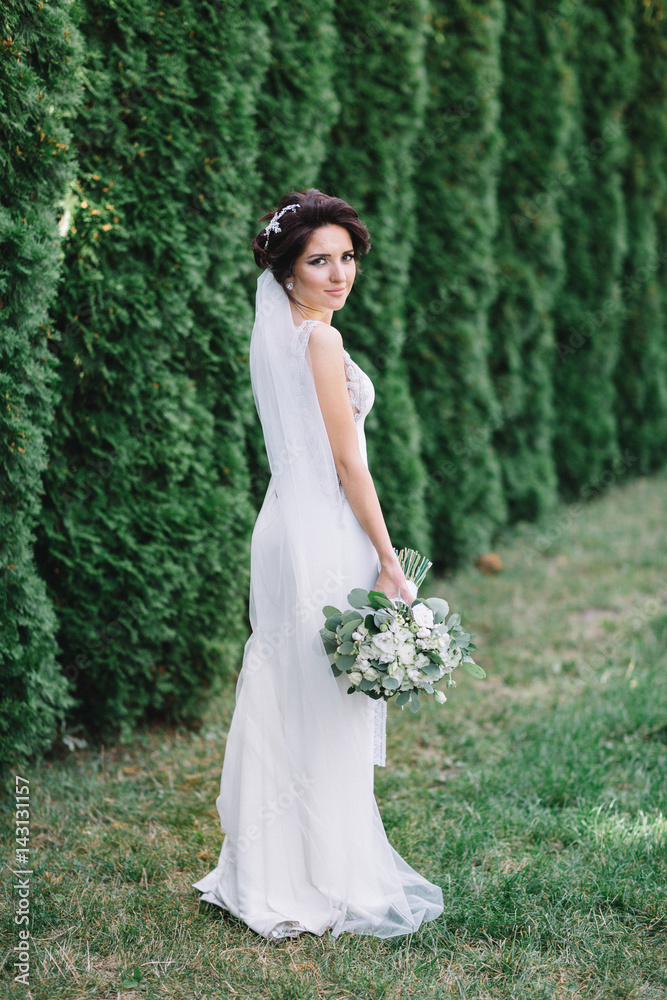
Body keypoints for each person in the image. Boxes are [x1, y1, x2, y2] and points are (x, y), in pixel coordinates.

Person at [193, 188, 444, 940]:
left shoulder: (278, 336)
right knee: (324, 699)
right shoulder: (320, 343)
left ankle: (269, 870)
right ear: (287, 270)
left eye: (346, 258)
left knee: (286, 689)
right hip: (323, 531)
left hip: (281, 529)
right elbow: (346, 463)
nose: (338, 274)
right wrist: (386, 555)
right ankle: (321, 875)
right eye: (319, 261)